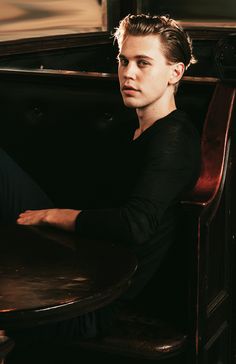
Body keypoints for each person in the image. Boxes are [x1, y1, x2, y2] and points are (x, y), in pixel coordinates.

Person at [4, 14, 200, 342]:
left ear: (175, 72)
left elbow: (135, 225)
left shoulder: (174, 140)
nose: (128, 73)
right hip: (77, 266)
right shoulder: (135, 127)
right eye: (123, 61)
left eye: (143, 63)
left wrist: (56, 216)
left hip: (97, 303)